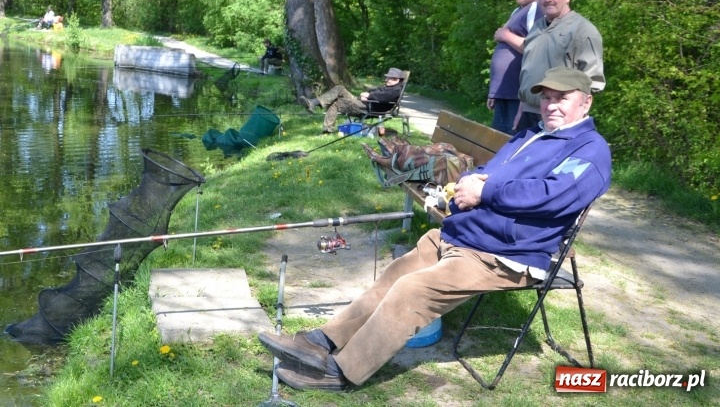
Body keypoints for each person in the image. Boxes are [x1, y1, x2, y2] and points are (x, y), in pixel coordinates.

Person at [259, 66, 612, 391]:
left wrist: (485, 191)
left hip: (503, 255)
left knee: (412, 289)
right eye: (546, 97)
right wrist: (469, 185)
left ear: (586, 101)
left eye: (561, 97)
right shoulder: (532, 134)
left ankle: (342, 372)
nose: (551, 105)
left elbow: (552, 196)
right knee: (393, 275)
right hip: (464, 235)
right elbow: (486, 170)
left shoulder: (591, 151)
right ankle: (322, 341)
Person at [516, 0, 604, 131]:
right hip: (528, 113)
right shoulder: (537, 27)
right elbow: (528, 72)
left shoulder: (583, 30)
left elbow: (592, 82)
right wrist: (522, 108)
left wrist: (573, 119)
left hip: (558, 117)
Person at [487, 0, 545, 134]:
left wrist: (505, 36)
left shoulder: (536, 8)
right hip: (506, 94)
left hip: (518, 96)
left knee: (509, 149)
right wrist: (495, 91)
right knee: (498, 147)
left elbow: (536, 49)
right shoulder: (518, 10)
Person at [299, 67, 405, 134]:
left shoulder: (396, 90)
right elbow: (376, 91)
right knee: (340, 88)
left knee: (336, 103)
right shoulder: (389, 86)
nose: (386, 80)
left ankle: (327, 131)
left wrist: (369, 96)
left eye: (389, 78)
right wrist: (367, 94)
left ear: (397, 80)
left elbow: (384, 97)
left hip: (368, 107)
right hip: (363, 102)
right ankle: (313, 103)